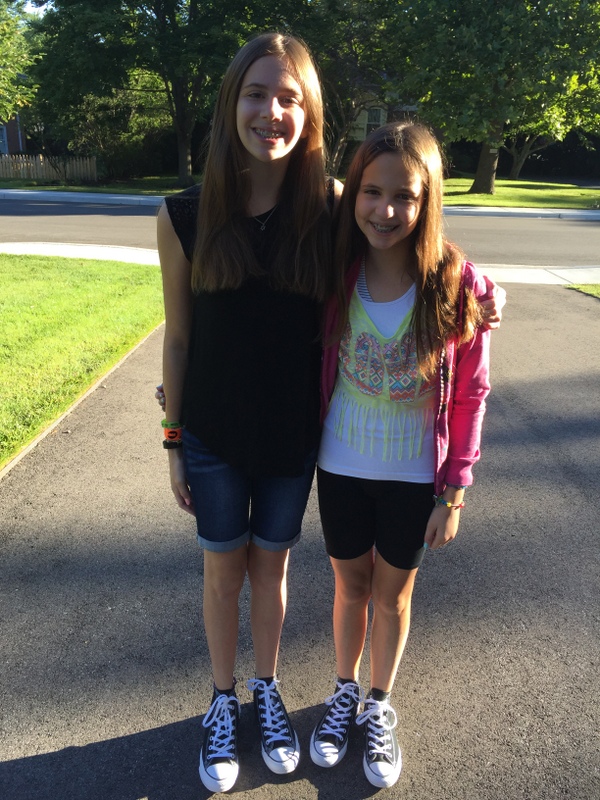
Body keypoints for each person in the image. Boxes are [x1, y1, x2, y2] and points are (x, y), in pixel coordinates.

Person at [157, 32, 340, 793]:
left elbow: (410, 252)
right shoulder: (183, 215)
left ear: (310, 113)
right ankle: (221, 699)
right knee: (222, 572)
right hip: (212, 434)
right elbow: (178, 337)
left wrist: (474, 299)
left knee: (273, 569)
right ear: (232, 104)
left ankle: (267, 689)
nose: (272, 112)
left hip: (292, 436)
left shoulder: (331, 209)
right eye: (257, 94)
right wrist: (173, 440)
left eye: (289, 97)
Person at [309, 121, 492, 789]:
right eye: (372, 192)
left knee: (391, 597)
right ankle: (344, 691)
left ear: (427, 200)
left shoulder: (457, 284)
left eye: (405, 196)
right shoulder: (335, 273)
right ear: (352, 193)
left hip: (415, 477)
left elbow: (471, 392)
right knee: (350, 588)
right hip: (340, 466)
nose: (386, 210)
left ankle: (378, 703)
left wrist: (455, 492)